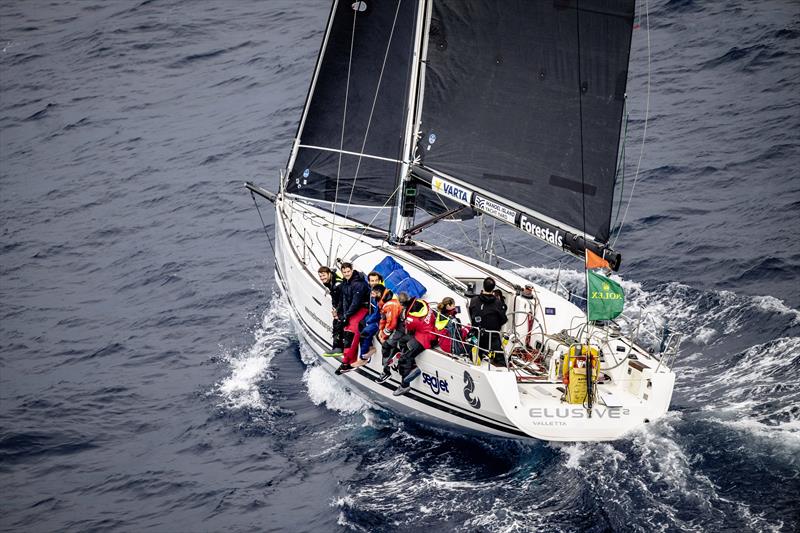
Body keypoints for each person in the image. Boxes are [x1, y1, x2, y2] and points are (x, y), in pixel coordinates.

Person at [392, 293, 437, 396]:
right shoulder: (422, 303)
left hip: (425, 338)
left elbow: (410, 329)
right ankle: (411, 364)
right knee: (403, 341)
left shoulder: (411, 318)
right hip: (430, 331)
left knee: (404, 358)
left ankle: (405, 385)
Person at [335, 262, 370, 375]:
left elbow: (356, 302)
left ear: (352, 270)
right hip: (352, 311)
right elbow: (344, 299)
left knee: (351, 333)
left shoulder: (358, 284)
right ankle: (350, 360)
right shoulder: (345, 283)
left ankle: (345, 362)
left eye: (348, 271)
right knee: (346, 331)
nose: (346, 274)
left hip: (362, 309)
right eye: (344, 272)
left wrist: (347, 315)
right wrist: (342, 315)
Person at [469, 277, 508, 367]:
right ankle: (495, 358)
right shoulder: (498, 303)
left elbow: (472, 315)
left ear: (483, 287)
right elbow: (504, 319)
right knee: (502, 358)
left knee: (472, 342)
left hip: (477, 335)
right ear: (493, 289)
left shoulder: (474, 300)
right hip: (493, 337)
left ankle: (476, 353)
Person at [352, 283, 386, 368]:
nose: (371, 295)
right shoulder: (375, 298)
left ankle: (363, 359)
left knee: (364, 334)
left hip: (379, 322)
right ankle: (370, 347)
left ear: (379, 294)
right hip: (373, 317)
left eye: (373, 293)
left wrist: (369, 321)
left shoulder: (382, 302)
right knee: (361, 324)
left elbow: (378, 315)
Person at [376, 289, 403, 383]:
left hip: (401, 328)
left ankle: (386, 370)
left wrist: (383, 336)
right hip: (399, 327)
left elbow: (392, 323)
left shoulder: (390, 305)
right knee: (381, 338)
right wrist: (380, 330)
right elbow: (384, 319)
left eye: (374, 294)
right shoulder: (386, 304)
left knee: (386, 345)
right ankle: (394, 353)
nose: (372, 295)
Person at [318, 266, 344, 357]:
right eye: (320, 276)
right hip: (340, 303)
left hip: (345, 305)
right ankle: (337, 347)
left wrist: (337, 311)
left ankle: (338, 348)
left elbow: (342, 299)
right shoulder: (329, 281)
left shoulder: (337, 284)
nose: (322, 278)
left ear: (329, 274)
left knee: (337, 323)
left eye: (324, 275)